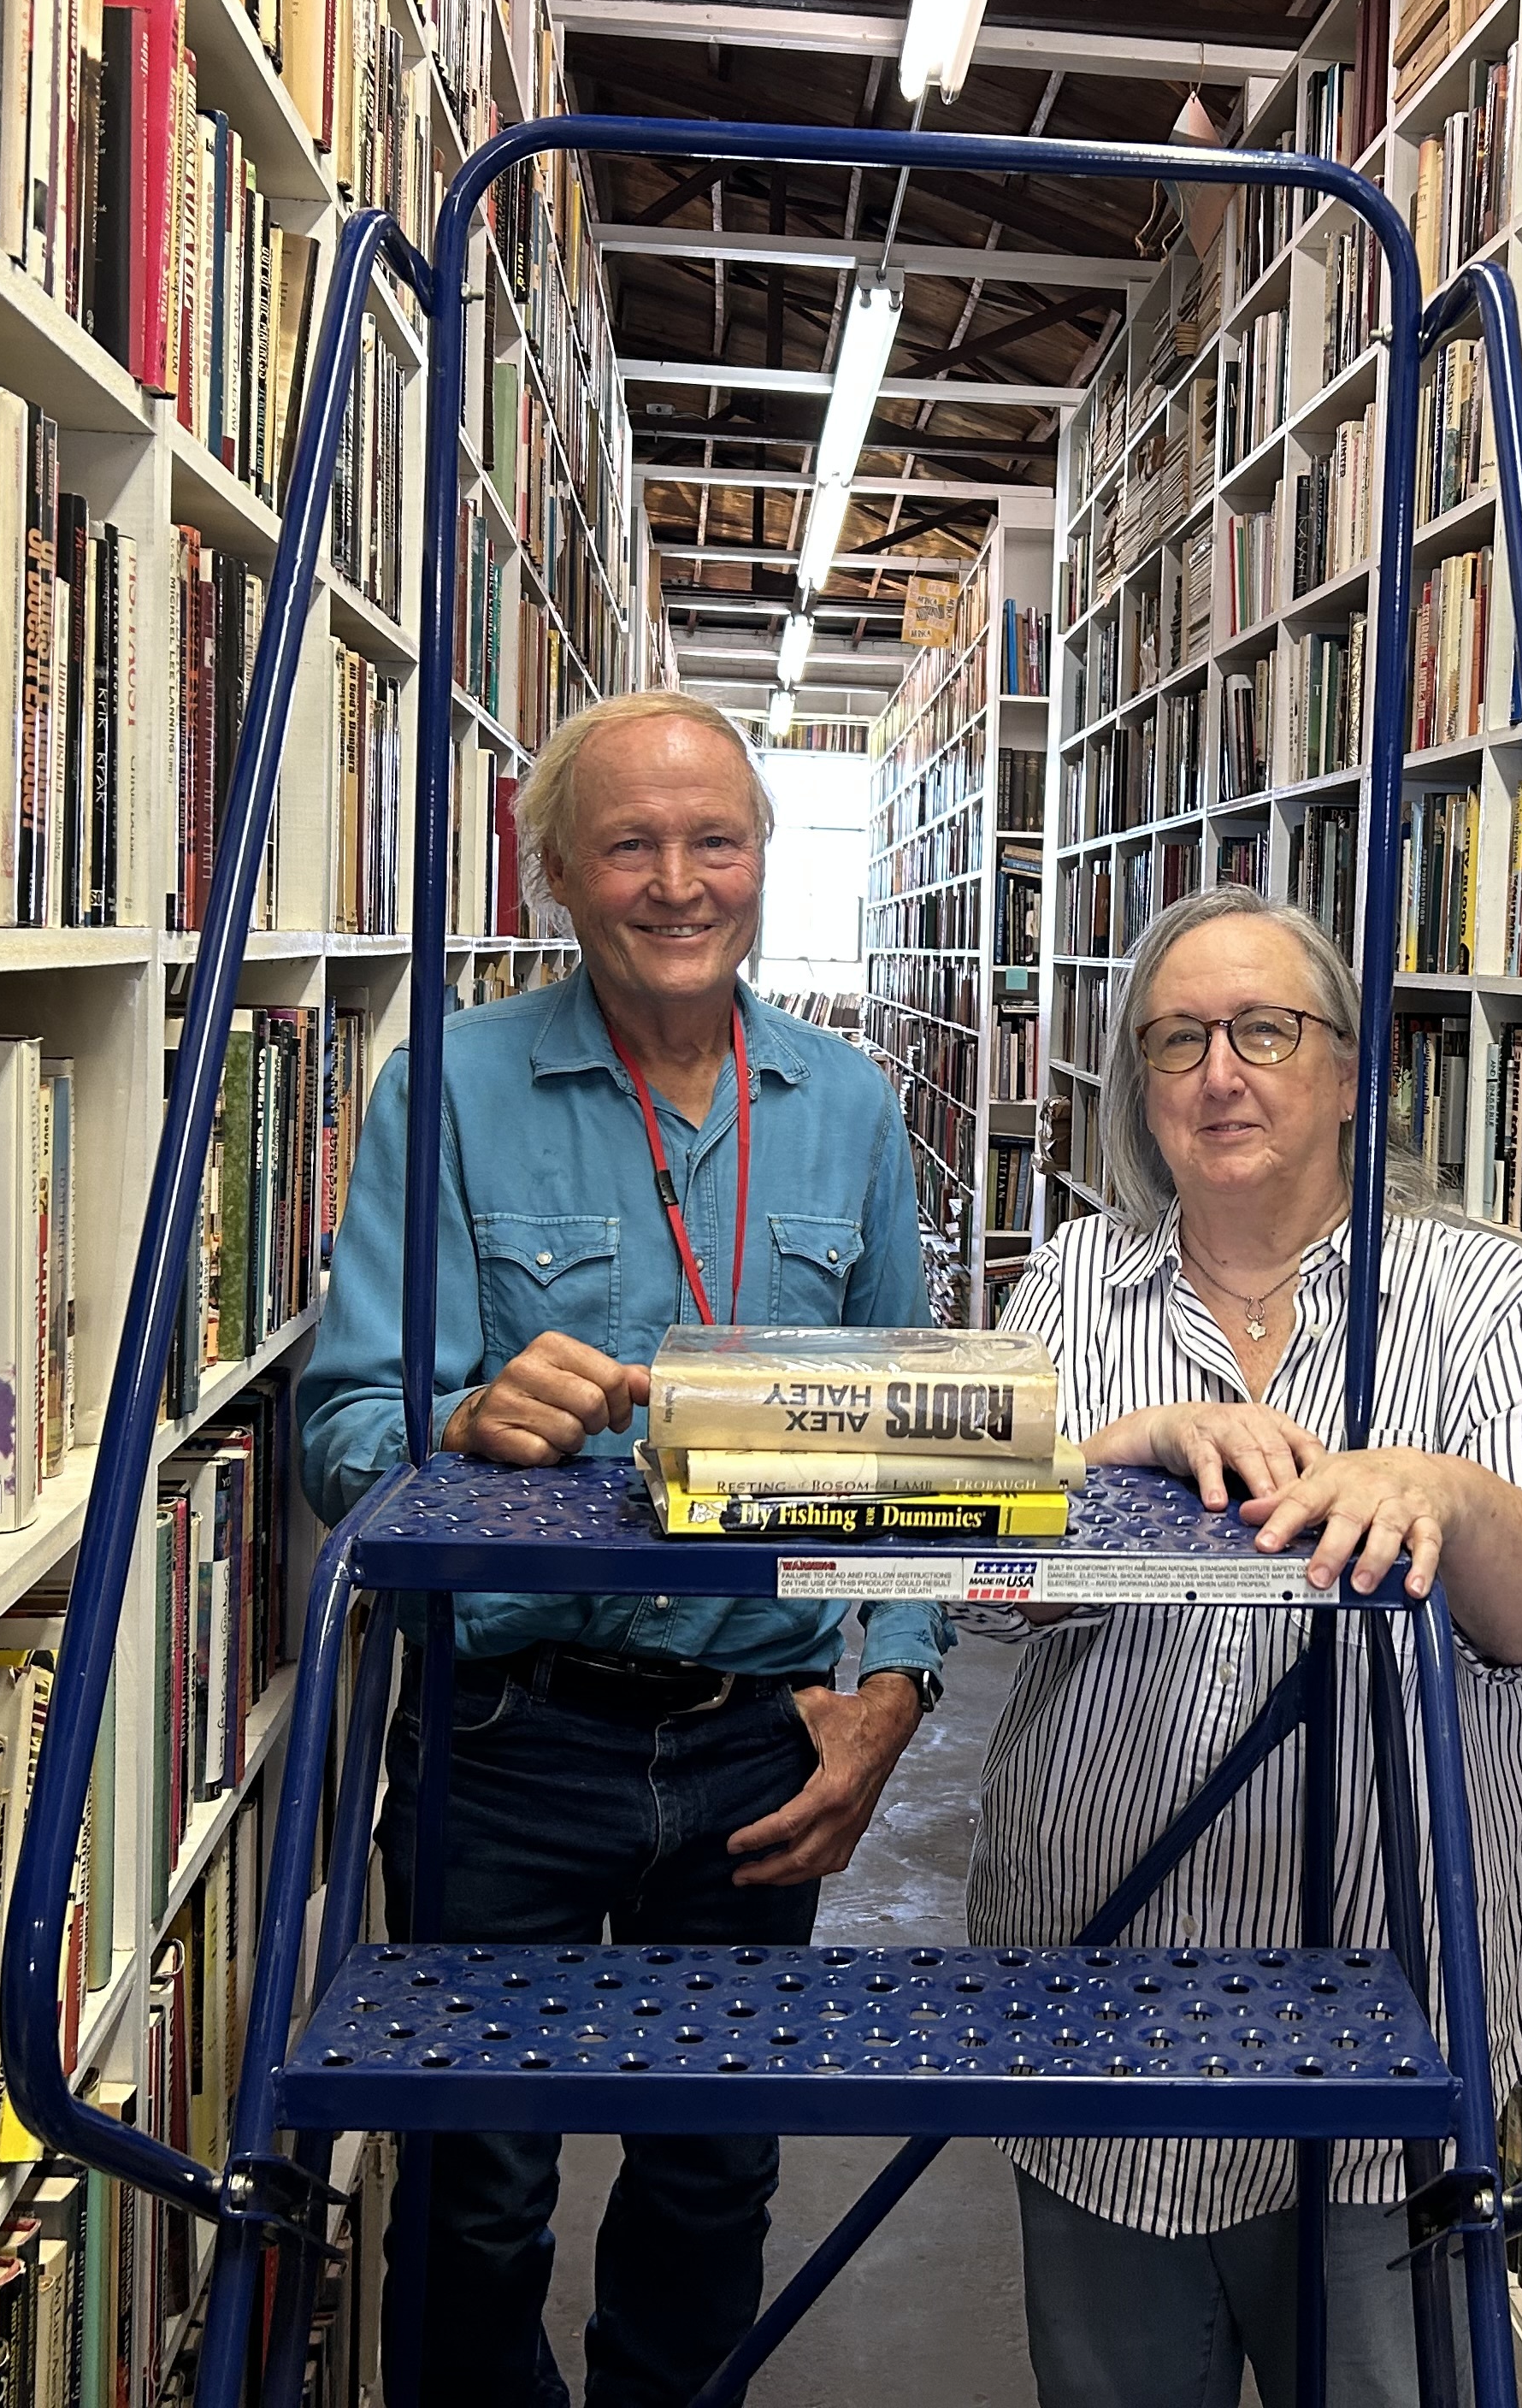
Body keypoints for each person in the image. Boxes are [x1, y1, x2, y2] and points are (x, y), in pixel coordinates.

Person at [298, 688, 949, 2408]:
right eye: (630, 845)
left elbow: (919, 1465)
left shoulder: (851, 1111)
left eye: (715, 840)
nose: (678, 882)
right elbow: (339, 1433)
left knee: (711, 2172)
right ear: (555, 879)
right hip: (512, 1741)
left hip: (756, 1737)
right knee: (475, 2183)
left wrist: (888, 1686)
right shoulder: (443, 1088)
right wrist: (457, 1420)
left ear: (763, 864)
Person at [965, 884, 1522, 2408]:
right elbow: (977, 1588)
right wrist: (1103, 1461)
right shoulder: (1066, 1288)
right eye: (1179, 1038)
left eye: (1267, 1029)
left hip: (1397, 2014)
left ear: (1344, 1069)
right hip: (1098, 1994)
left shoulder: (1485, 1293)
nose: (1221, 1072)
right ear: (1139, 1083)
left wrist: (1446, 1494)